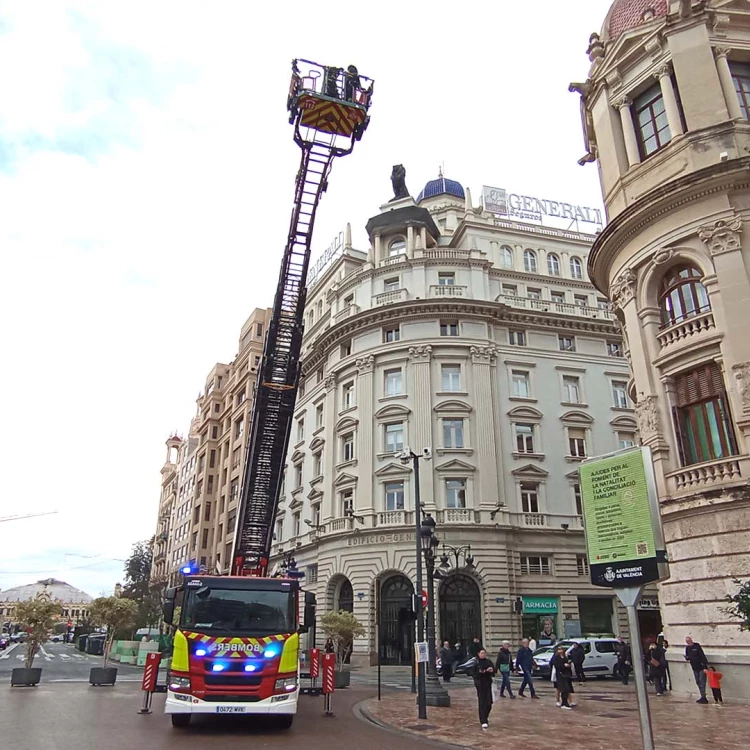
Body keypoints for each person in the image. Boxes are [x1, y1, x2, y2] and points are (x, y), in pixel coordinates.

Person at [471, 648, 495, 729]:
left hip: (488, 683)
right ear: (478, 654)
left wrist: (491, 670)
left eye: (484, 653)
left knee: (489, 703)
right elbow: (474, 673)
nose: (483, 654)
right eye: (482, 653)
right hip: (480, 684)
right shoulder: (476, 663)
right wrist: (482, 672)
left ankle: (485, 716)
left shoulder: (488, 662)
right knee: (482, 702)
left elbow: (493, 671)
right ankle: (483, 720)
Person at [684, 636, 709, 704]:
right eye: (687, 641)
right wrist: (687, 657)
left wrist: (704, 666)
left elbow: (702, 656)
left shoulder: (697, 646)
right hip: (694, 667)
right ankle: (702, 695)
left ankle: (703, 697)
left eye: (689, 641)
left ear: (691, 640)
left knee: (702, 682)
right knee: (697, 681)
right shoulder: (687, 648)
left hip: (701, 667)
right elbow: (687, 656)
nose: (688, 642)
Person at [551, 645, 574, 709]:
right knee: (563, 689)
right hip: (560, 675)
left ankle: (565, 703)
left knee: (567, 689)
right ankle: (563, 703)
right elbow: (557, 666)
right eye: (559, 649)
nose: (560, 651)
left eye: (561, 649)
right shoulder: (556, 657)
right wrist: (564, 665)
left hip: (566, 674)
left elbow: (567, 663)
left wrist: (568, 665)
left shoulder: (564, 657)